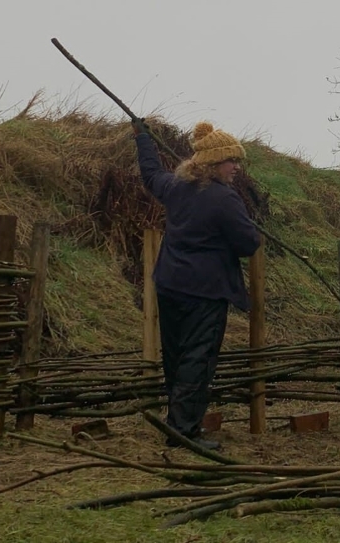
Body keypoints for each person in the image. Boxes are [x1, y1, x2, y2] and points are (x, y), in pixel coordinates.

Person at [132, 119, 261, 450]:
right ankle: (184, 431)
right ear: (214, 163)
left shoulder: (176, 187)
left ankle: (182, 424)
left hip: (170, 284)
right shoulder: (224, 199)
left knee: (176, 357)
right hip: (205, 291)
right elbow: (249, 244)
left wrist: (143, 140)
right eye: (232, 161)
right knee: (198, 360)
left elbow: (150, 174)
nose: (236, 167)